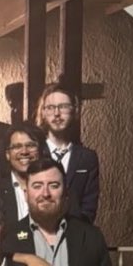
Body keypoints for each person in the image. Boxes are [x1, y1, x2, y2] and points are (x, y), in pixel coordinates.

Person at [35, 84, 100, 222]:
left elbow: (89, 208)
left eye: (63, 106)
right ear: (43, 112)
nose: (57, 113)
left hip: (75, 231)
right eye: (50, 107)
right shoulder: (35, 153)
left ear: (74, 110)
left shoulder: (87, 158)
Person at [0, 123, 50, 237]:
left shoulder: (56, 190)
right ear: (7, 154)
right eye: (17, 147)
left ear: (41, 150)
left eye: (31, 145)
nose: (24, 152)